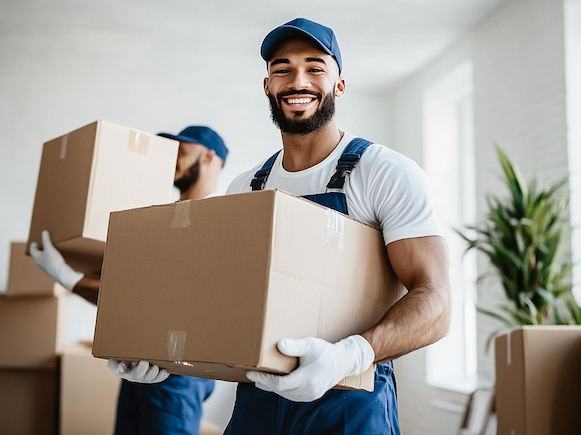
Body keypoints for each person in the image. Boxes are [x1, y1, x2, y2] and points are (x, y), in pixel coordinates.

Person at [108, 17, 451, 434]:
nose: (297, 80)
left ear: (339, 84)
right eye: (282, 68)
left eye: (315, 67)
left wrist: (350, 355)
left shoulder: (383, 172)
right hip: (259, 401)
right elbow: (219, 299)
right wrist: (161, 353)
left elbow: (436, 301)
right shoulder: (246, 188)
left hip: (350, 402)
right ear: (268, 85)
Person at [29, 125, 229, 435]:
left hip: (178, 373)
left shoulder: (220, 216)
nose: (172, 157)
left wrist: (67, 277)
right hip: (140, 366)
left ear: (209, 156)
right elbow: (124, 298)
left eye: (181, 149)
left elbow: (160, 299)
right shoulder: (165, 216)